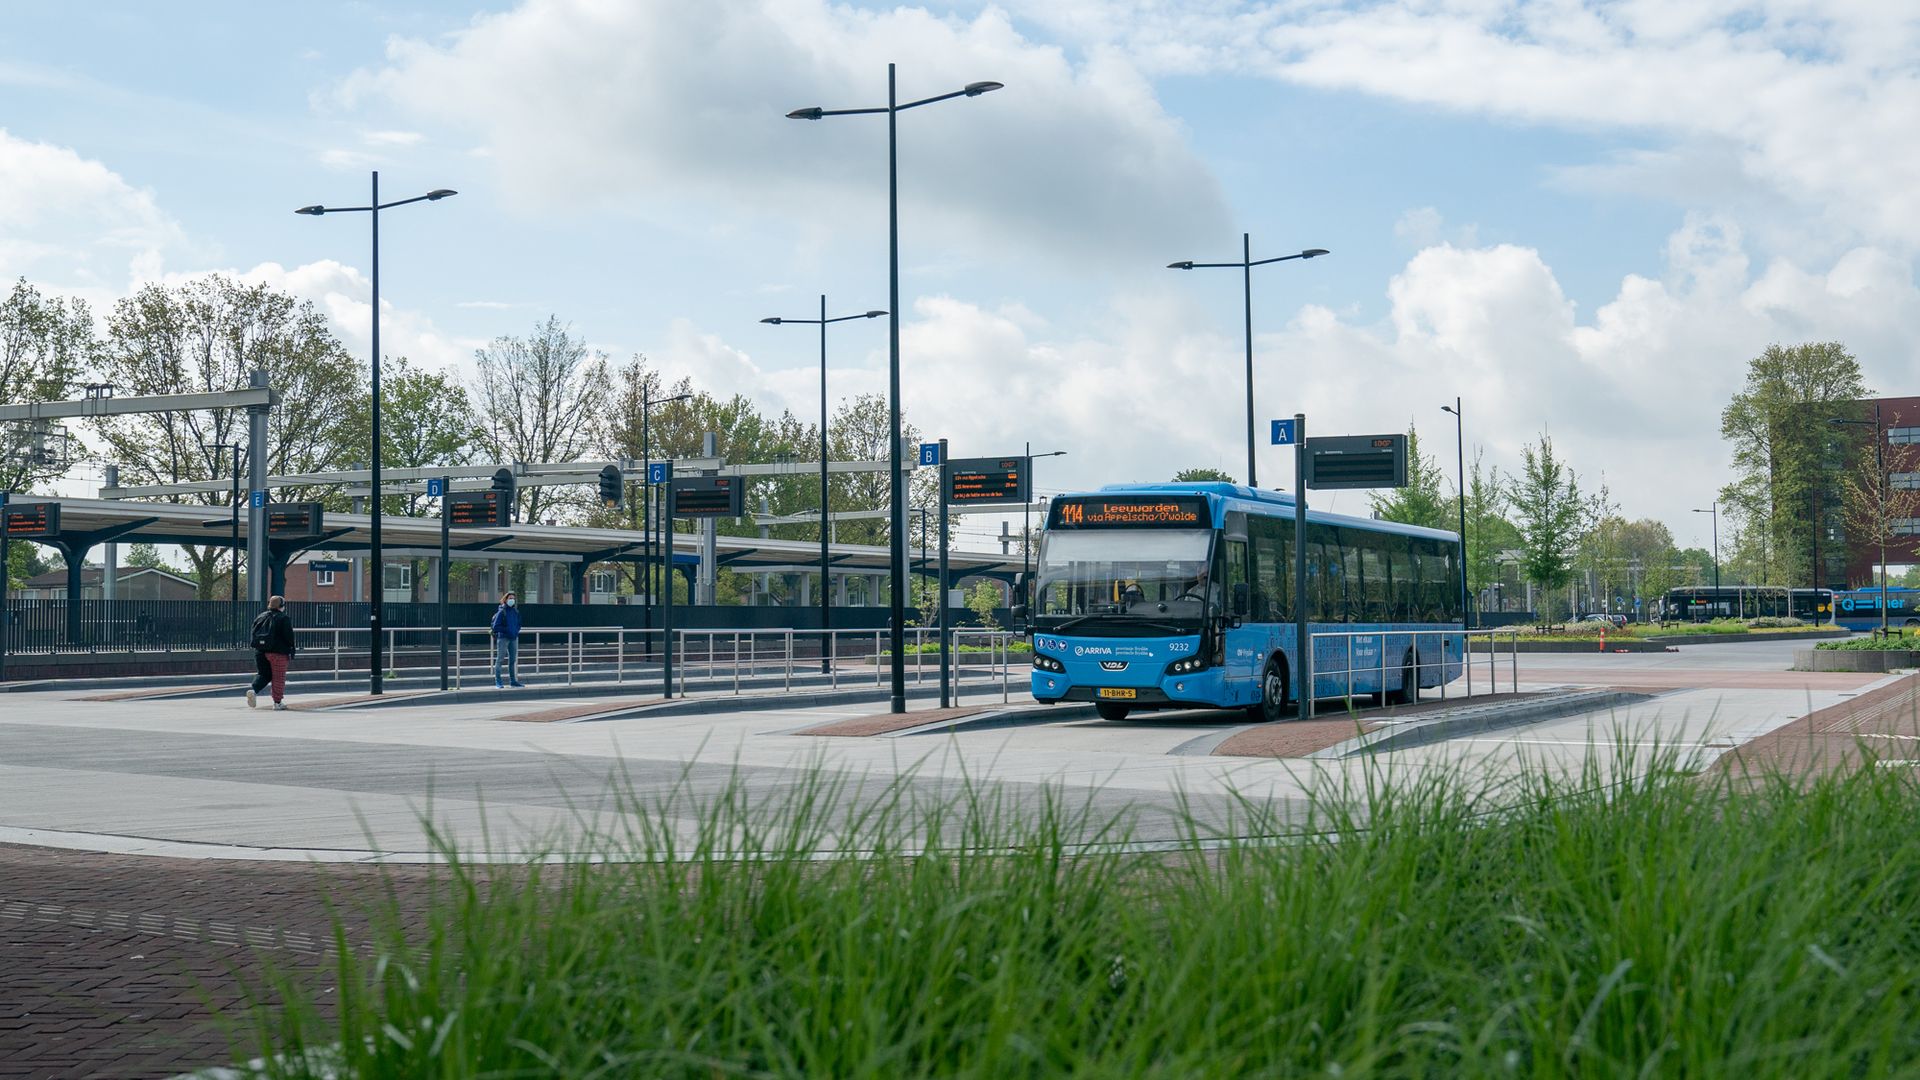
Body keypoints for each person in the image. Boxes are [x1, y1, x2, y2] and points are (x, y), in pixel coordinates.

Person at [246, 595, 296, 711]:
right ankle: (277, 703)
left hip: (260, 651)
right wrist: (291, 648)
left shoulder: (261, 617)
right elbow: (289, 637)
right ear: (281, 606)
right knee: (278, 678)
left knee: (263, 674)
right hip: (278, 653)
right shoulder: (283, 618)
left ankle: (253, 690)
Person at [491, 591, 524, 688]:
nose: (512, 600)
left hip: (513, 638)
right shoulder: (502, 611)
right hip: (503, 638)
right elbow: (496, 626)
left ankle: (513, 681)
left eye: (513, 598)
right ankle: (498, 682)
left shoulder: (515, 611)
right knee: (500, 660)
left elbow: (519, 623)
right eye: (510, 598)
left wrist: (515, 631)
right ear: (505, 599)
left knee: (512, 660)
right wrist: (507, 631)